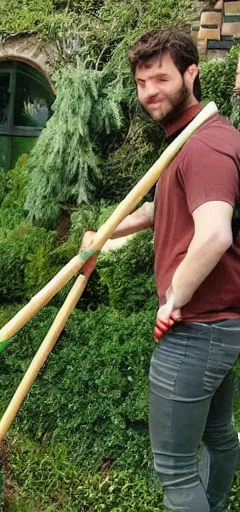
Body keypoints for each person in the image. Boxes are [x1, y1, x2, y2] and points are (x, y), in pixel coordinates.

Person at [84, 28, 240, 511]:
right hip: (222, 325)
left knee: (175, 470)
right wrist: (109, 231)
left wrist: (173, 299)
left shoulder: (204, 146)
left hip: (197, 328)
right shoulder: (189, 139)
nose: (149, 92)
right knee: (219, 435)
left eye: (161, 78)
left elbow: (214, 233)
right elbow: (162, 208)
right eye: (141, 82)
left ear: (191, 73)